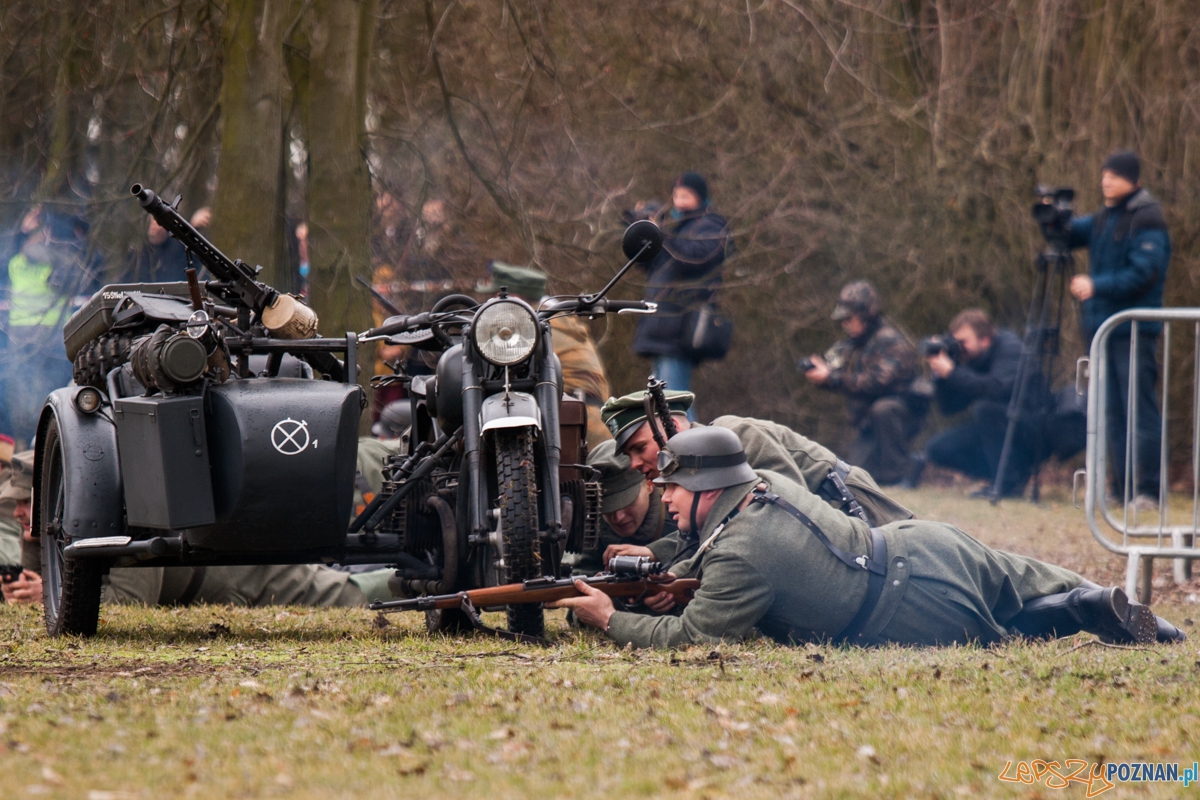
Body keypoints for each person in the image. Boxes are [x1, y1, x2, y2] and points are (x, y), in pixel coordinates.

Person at [550, 426, 1186, 647]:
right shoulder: (767, 483)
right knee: (1024, 574)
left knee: (1016, 625)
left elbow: (691, 638)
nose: (662, 496)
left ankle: (1078, 612)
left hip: (912, 609)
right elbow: (702, 552)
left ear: (709, 489)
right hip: (922, 541)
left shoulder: (743, 551)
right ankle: (1125, 612)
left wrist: (611, 618)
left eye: (672, 488)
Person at [1, 450, 393, 608]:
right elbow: (41, 578)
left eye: (25, 502)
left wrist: (52, 596)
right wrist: (37, 537)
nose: (17, 511)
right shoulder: (68, 521)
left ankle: (431, 583)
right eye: (15, 504)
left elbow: (132, 603)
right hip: (223, 576)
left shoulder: (119, 516)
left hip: (248, 578)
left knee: (349, 595)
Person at [600, 389, 913, 530]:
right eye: (628, 456)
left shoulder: (733, 434)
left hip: (851, 506)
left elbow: (794, 505)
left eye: (639, 448)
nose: (635, 465)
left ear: (671, 427)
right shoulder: (687, 476)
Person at [1066, 151, 1171, 506]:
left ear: (1133, 180)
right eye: (1104, 175)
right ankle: (1120, 488)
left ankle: (1149, 489)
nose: (1105, 181)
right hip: (1103, 330)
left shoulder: (1147, 218)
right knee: (1111, 412)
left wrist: (1097, 286)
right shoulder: (1104, 217)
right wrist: (1052, 213)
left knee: (1138, 410)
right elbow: (1067, 234)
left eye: (1114, 176)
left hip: (1133, 330)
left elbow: (1144, 273)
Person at [803, 280, 927, 485]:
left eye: (849, 319)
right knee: (856, 478)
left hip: (900, 415)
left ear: (865, 315)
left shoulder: (889, 340)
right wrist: (823, 375)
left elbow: (876, 382)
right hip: (869, 423)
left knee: (884, 409)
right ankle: (905, 465)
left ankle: (904, 471)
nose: (845, 324)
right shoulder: (854, 345)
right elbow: (845, 377)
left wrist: (831, 378)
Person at [478, 261, 613, 447]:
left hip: (570, 424)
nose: (489, 305)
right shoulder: (558, 320)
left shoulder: (528, 330)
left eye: (495, 298)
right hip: (590, 423)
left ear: (514, 298)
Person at [631, 172, 729, 402]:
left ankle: (685, 438)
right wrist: (642, 231)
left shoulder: (711, 227)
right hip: (663, 326)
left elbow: (693, 260)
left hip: (680, 326)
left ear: (700, 198)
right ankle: (677, 437)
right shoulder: (680, 230)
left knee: (672, 400)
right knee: (664, 399)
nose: (680, 201)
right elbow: (646, 265)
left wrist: (661, 232)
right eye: (676, 195)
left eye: (686, 195)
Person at [923, 309, 1043, 496]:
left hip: (1030, 427)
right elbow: (949, 407)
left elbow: (996, 388)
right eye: (956, 342)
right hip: (995, 430)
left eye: (963, 342)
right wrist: (941, 376)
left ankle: (1007, 484)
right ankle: (1006, 476)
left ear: (985, 339)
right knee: (938, 449)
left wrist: (953, 373)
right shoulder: (972, 358)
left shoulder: (1010, 349)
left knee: (984, 410)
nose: (959, 347)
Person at [567, 440, 676, 576]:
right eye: (608, 507)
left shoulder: (677, 514)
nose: (618, 517)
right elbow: (581, 574)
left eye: (627, 502)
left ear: (649, 484)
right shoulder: (593, 527)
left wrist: (656, 552)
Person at [128, 206, 213, 284]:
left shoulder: (177, 246)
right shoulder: (138, 254)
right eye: (151, 221)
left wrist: (192, 229)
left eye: (157, 221)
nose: (153, 225)